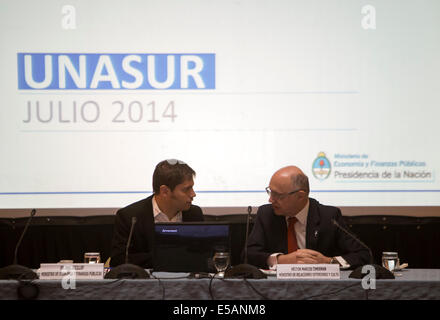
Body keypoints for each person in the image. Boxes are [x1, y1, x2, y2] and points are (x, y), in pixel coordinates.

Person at [247, 166, 370, 270]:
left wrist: (328, 262)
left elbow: (363, 254)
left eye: (278, 195)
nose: (270, 199)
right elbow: (248, 255)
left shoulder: (329, 216)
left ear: (300, 196)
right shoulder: (267, 213)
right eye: (270, 192)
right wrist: (282, 260)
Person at [110, 159, 204, 268]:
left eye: (192, 187)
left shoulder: (194, 214)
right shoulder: (130, 217)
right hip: (145, 284)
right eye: (186, 189)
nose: (193, 194)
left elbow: (202, 256)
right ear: (164, 191)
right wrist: (168, 258)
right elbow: (119, 260)